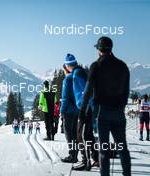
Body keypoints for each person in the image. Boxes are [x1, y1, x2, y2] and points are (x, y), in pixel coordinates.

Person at [79, 36, 131, 176]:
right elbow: (126, 92)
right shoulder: (123, 66)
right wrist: (120, 107)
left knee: (103, 149)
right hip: (118, 112)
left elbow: (88, 90)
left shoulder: (96, 66)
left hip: (101, 112)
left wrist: (82, 111)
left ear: (99, 49)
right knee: (122, 147)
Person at [62, 54, 99, 170]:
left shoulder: (77, 74)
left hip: (85, 107)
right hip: (85, 107)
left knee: (80, 135)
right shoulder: (78, 72)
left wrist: (90, 107)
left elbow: (86, 90)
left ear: (67, 65)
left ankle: (85, 162)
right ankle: (96, 159)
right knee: (88, 135)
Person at [60, 63, 79, 163]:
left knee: (68, 133)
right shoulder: (76, 78)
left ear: (66, 69)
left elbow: (65, 98)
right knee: (74, 133)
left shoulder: (67, 79)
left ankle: (72, 155)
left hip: (68, 111)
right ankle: (75, 154)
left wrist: (61, 111)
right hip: (76, 110)